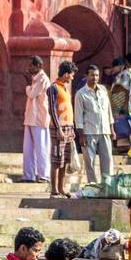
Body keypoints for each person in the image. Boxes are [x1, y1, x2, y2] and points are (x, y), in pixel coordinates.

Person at [76, 65, 114, 185]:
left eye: (97, 75)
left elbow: (108, 110)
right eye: (92, 75)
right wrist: (81, 135)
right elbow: (78, 116)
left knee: (107, 160)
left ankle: (107, 185)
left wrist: (112, 129)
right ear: (86, 76)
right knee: (90, 162)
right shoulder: (81, 94)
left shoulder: (103, 90)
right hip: (89, 131)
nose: (95, 78)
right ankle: (93, 186)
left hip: (105, 130)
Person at [48, 61, 77, 198]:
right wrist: (58, 128)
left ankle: (61, 187)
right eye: (71, 75)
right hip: (58, 128)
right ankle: (54, 188)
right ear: (66, 74)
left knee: (65, 159)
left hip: (68, 127)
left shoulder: (65, 88)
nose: (72, 77)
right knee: (56, 159)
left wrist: (72, 128)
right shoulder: (53, 88)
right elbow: (52, 110)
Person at [21, 56, 52, 183]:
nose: (29, 68)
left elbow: (32, 94)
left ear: (38, 66)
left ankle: (44, 175)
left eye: (31, 66)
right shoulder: (35, 79)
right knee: (28, 149)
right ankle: (29, 176)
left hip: (39, 119)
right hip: (30, 118)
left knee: (41, 148)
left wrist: (28, 85)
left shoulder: (43, 79)